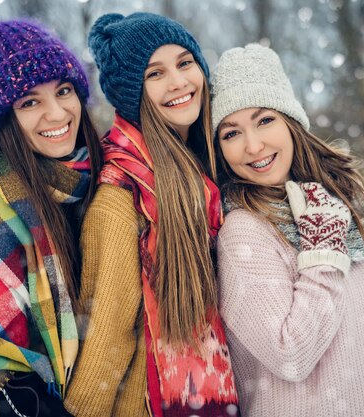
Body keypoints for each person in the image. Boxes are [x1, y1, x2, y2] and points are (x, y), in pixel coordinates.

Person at [210, 43, 364, 417]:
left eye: (265, 120)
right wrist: (322, 254)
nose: (253, 145)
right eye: (231, 133)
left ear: (292, 123)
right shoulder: (244, 231)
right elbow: (291, 355)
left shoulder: (343, 202)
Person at [64, 12, 239, 417]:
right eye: (154, 74)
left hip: (216, 391)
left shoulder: (206, 168)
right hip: (150, 404)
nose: (178, 82)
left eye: (184, 63)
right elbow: (108, 331)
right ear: (132, 95)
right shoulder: (121, 194)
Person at [0, 20, 102, 417]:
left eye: (64, 91)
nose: (57, 112)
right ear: (4, 121)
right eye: (29, 102)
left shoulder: (102, 179)